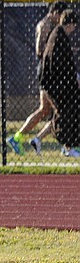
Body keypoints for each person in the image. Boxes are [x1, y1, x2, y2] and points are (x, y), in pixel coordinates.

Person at [7, 0, 68, 155]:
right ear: (55, 13)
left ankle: (21, 138)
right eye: (61, 15)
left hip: (51, 72)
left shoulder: (52, 26)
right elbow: (39, 50)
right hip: (47, 72)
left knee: (46, 110)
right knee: (59, 110)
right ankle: (66, 144)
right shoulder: (45, 25)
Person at [39, 9, 80, 158]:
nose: (73, 30)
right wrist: (74, 78)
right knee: (68, 110)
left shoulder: (57, 35)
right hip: (56, 84)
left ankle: (68, 144)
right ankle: (67, 143)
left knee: (66, 110)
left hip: (55, 83)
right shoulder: (59, 38)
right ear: (70, 24)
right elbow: (64, 64)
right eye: (73, 26)